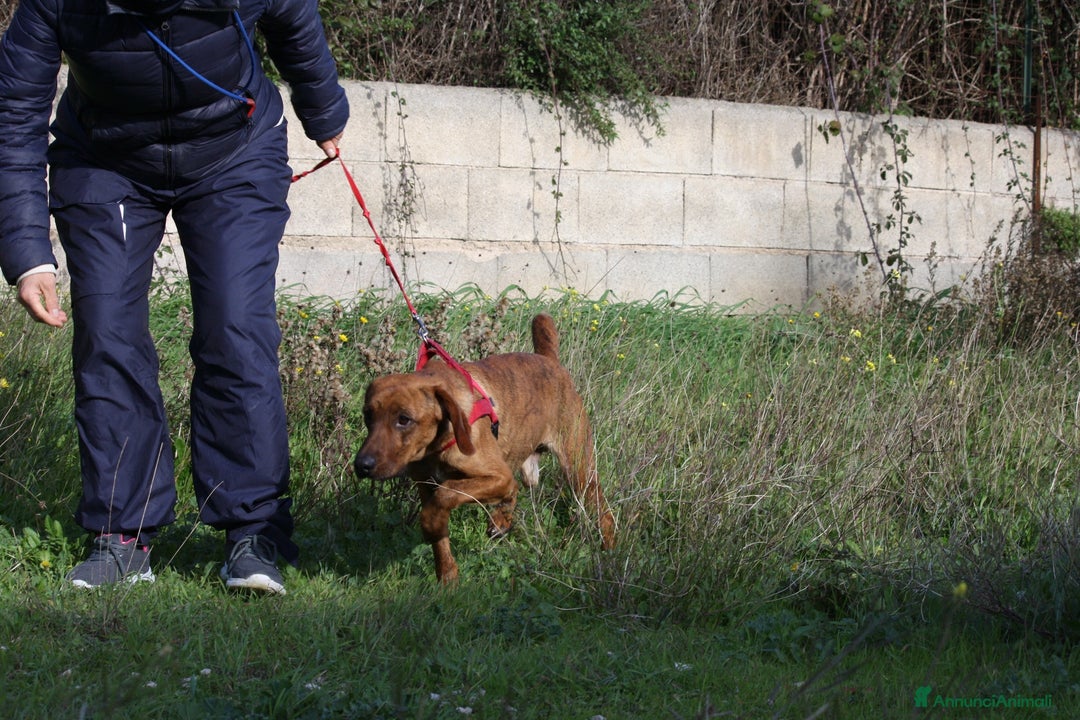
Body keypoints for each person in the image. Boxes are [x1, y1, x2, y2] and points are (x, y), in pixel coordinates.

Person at [0, 0, 349, 594]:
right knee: (107, 332)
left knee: (235, 326)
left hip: (233, 148)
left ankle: (253, 532)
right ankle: (121, 537)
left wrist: (324, 110)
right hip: (103, 156)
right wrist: (27, 252)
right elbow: (14, 111)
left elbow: (293, 16)